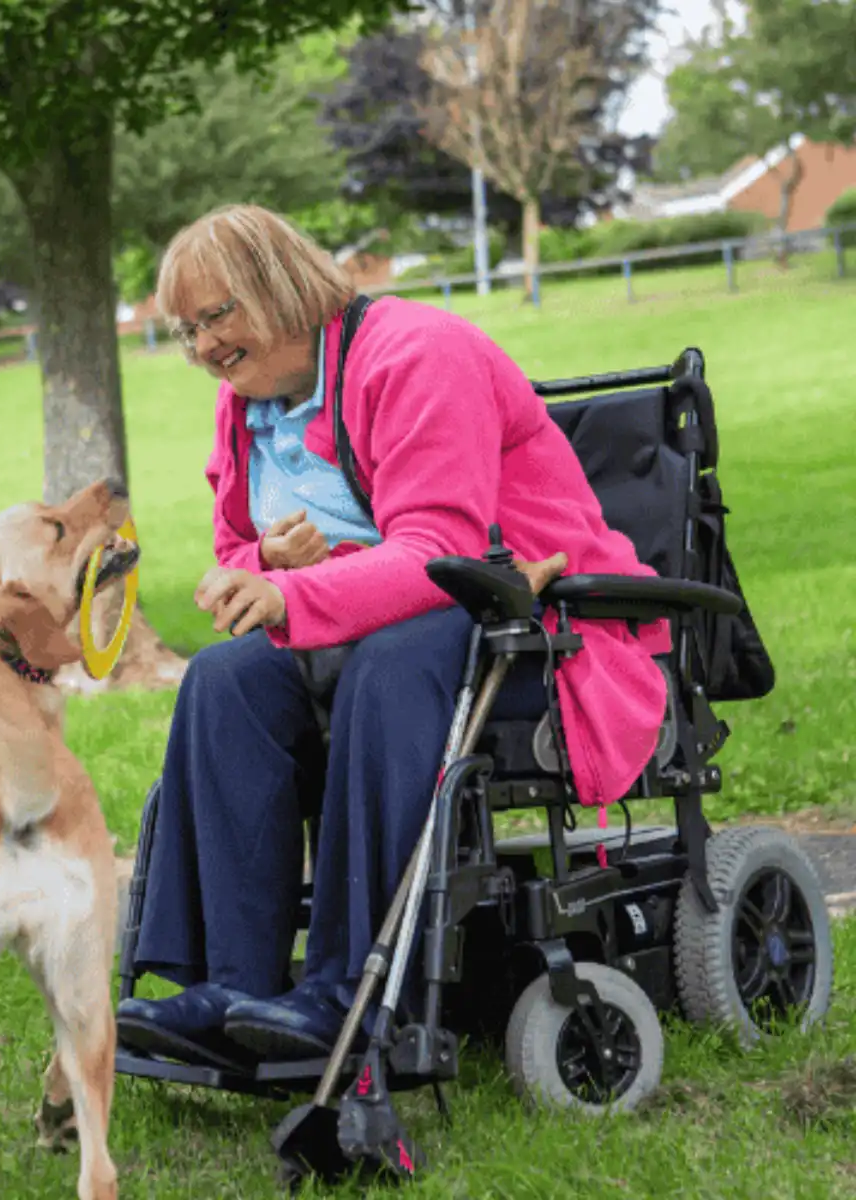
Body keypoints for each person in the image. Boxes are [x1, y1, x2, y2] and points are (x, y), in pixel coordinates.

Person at [115, 204, 671, 1066]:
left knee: (389, 664)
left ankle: (349, 990)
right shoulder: (251, 400)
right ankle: (233, 984)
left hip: (532, 629)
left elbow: (442, 550)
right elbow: (238, 547)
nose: (204, 347)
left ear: (279, 285)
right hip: (376, 636)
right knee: (223, 680)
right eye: (186, 331)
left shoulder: (416, 354)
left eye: (217, 315)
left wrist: (294, 596)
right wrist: (263, 558)